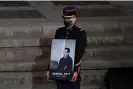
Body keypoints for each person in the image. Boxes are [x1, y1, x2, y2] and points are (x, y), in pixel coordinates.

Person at [46, 6, 87, 89]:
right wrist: (49, 69)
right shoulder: (59, 32)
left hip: (72, 71)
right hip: (60, 73)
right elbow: (55, 51)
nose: (67, 21)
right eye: (65, 18)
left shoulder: (80, 33)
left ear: (74, 18)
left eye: (69, 18)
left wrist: (75, 71)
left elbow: (79, 53)